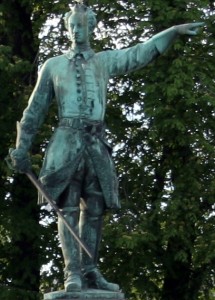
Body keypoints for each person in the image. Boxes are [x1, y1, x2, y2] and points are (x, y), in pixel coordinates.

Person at [9, 2, 204, 293]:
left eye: (82, 26)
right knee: (69, 207)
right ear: (66, 28)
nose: (76, 31)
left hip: (96, 144)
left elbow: (138, 53)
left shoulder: (104, 61)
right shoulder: (53, 66)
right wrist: (22, 148)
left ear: (92, 27)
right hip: (66, 142)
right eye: (72, 26)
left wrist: (172, 31)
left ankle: (90, 271)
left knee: (96, 208)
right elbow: (34, 110)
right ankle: (71, 273)